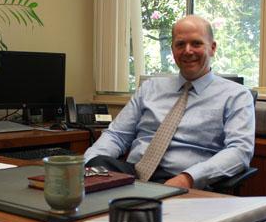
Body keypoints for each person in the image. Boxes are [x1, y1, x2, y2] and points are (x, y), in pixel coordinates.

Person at [83, 15, 255, 189]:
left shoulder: (236, 96)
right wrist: (85, 165)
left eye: (196, 43)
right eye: (180, 44)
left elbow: (239, 152)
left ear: (212, 48)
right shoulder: (150, 88)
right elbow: (117, 135)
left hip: (184, 180)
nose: (188, 51)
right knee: (95, 164)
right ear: (172, 49)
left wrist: (188, 178)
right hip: (133, 176)